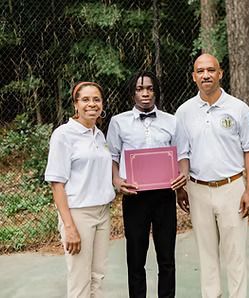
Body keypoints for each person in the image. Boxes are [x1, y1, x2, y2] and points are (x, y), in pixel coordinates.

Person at [175, 53, 249, 298]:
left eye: (211, 70)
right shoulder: (184, 112)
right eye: (200, 71)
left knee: (235, 253)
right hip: (197, 189)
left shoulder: (238, 108)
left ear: (220, 73)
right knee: (207, 253)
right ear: (193, 77)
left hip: (232, 188)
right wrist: (182, 187)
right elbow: (183, 153)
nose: (206, 75)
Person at [106, 71, 187, 298]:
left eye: (149, 89)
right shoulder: (118, 122)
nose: (145, 93)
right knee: (135, 257)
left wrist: (183, 178)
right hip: (134, 196)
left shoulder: (172, 121)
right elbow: (111, 156)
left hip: (164, 195)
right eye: (140, 89)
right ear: (133, 93)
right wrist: (116, 180)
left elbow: (182, 154)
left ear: (156, 91)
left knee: (166, 258)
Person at [45, 81, 116, 297]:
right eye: (85, 99)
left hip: (102, 213)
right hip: (78, 215)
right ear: (75, 104)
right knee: (80, 280)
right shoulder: (63, 135)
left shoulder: (99, 135)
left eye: (96, 99)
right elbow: (57, 184)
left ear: (102, 104)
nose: (91, 104)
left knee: (97, 277)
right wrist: (69, 226)